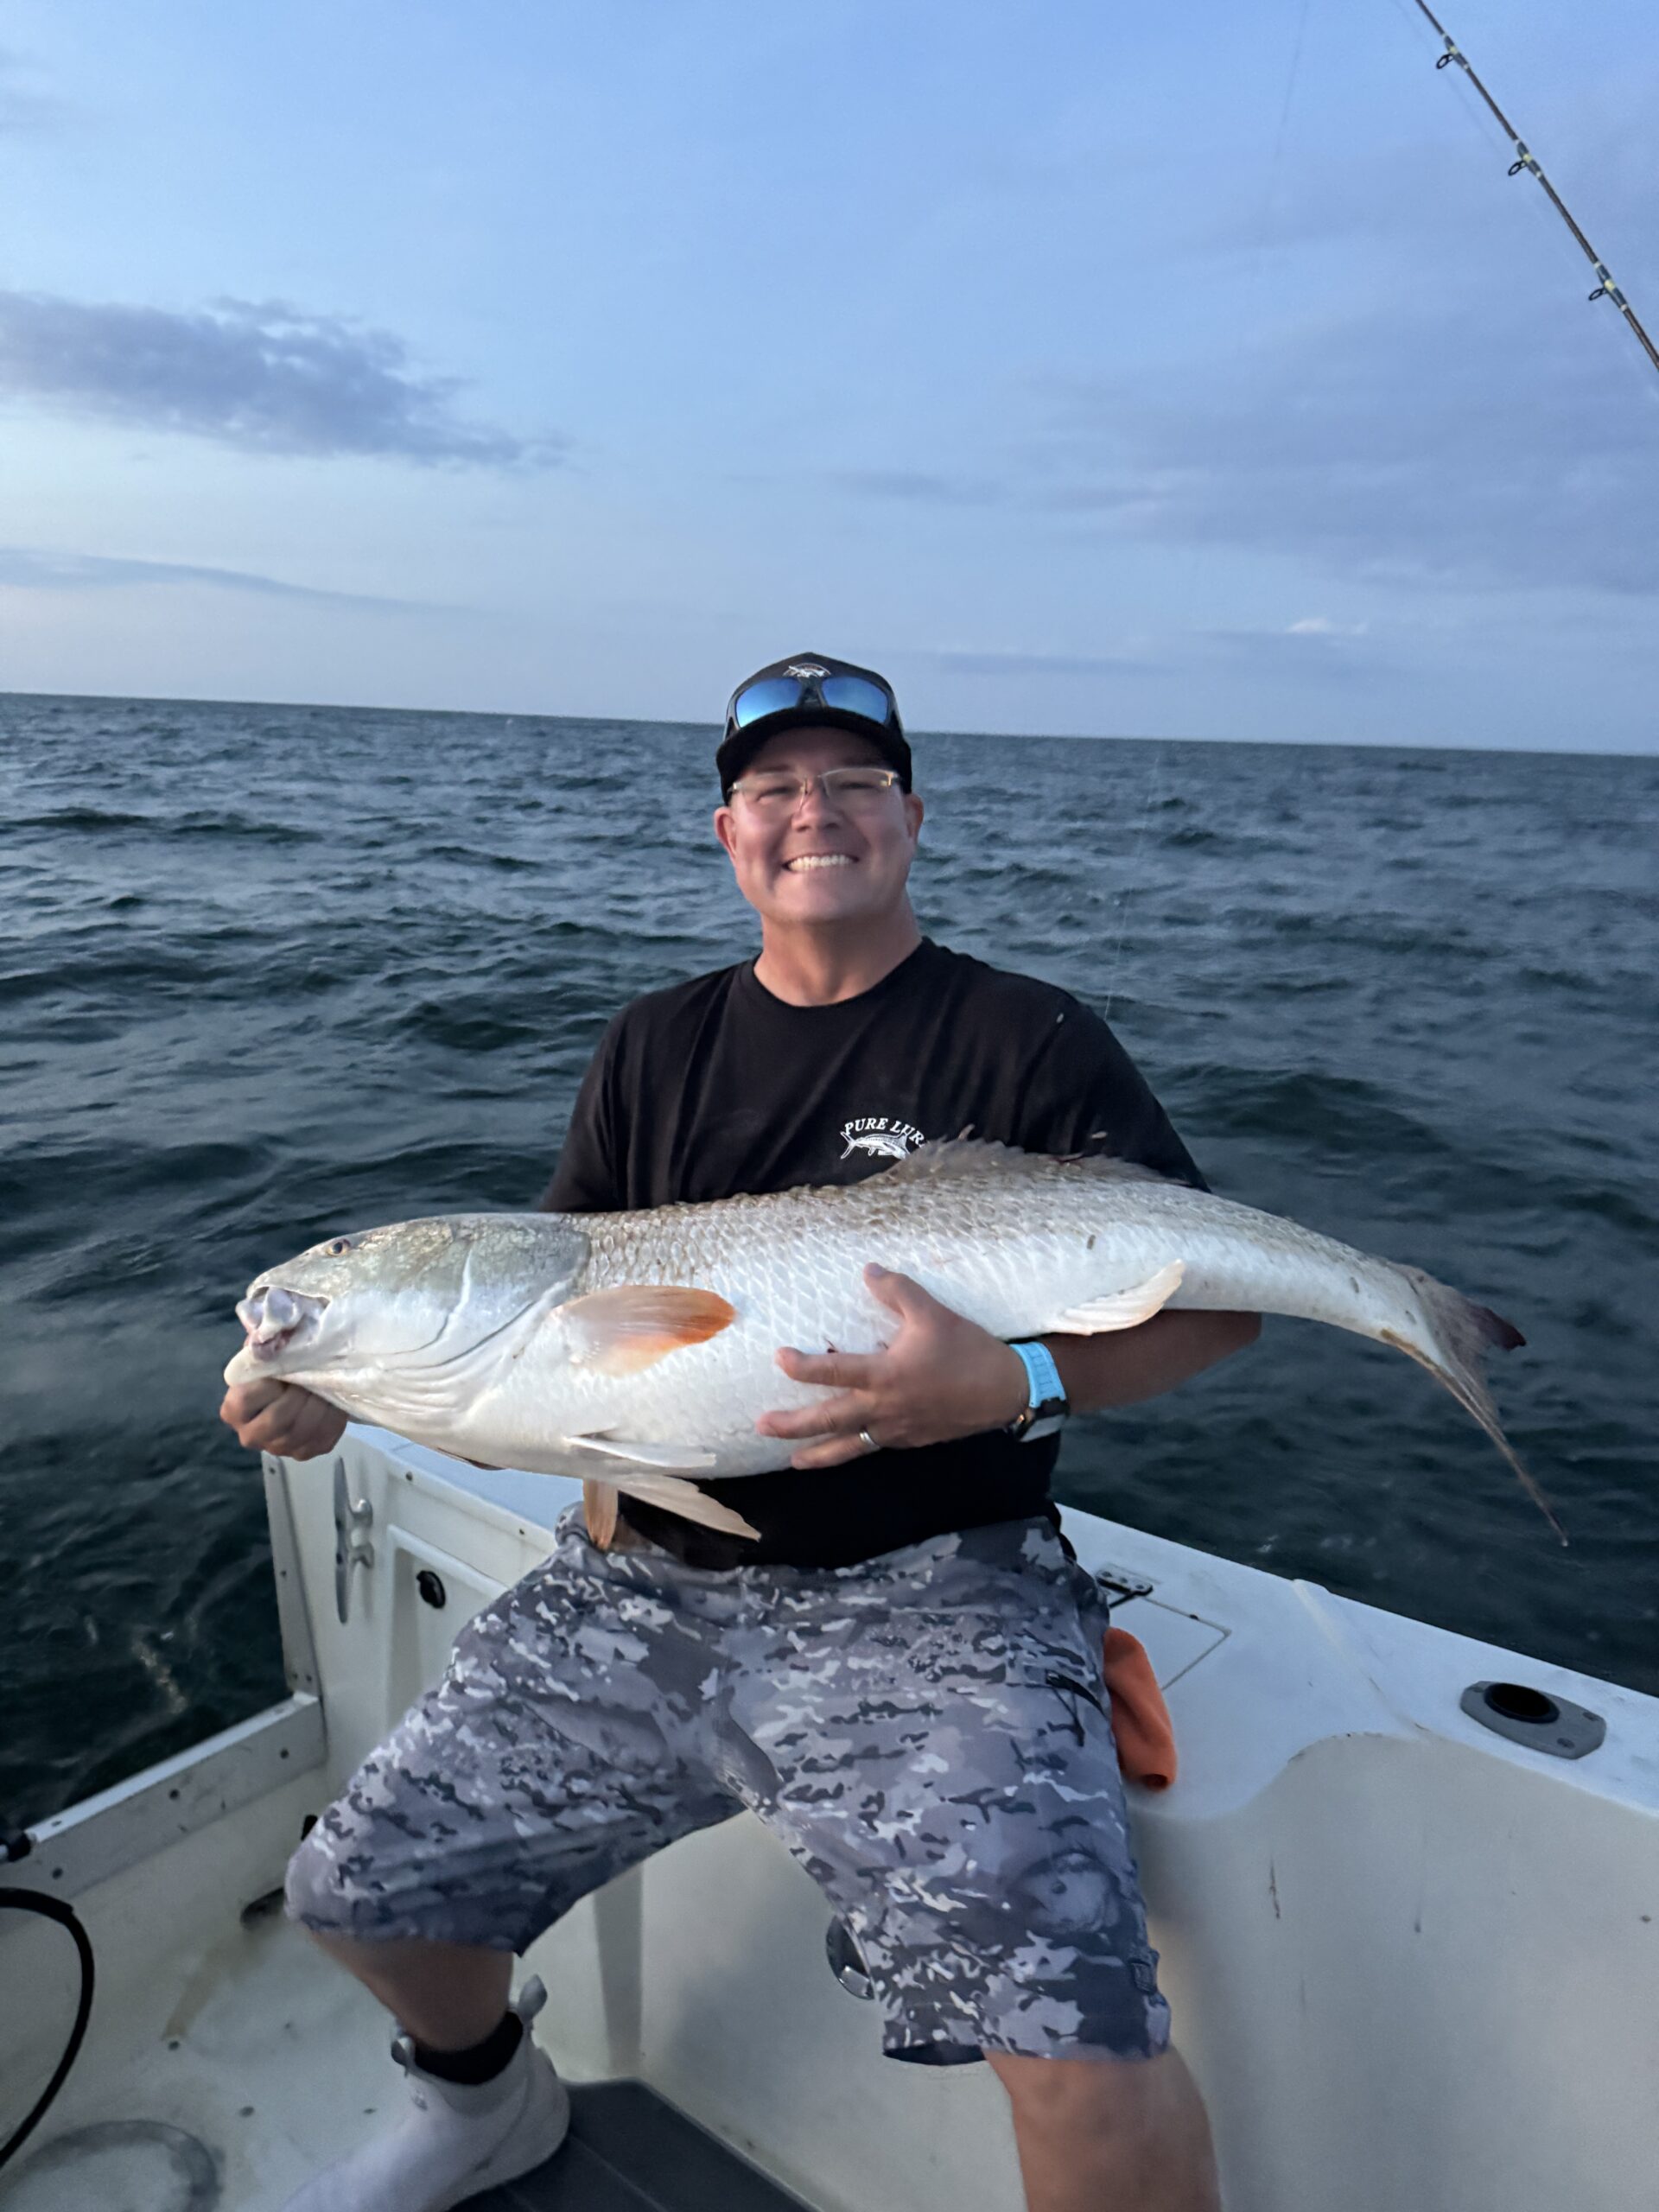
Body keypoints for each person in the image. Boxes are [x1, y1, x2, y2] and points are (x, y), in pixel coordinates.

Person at [222, 653, 1257, 2212]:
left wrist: (1015, 1388)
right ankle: (484, 2106)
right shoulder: (654, 1045)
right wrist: (347, 1393)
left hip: (943, 1588)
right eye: (774, 788)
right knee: (355, 1891)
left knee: (1084, 2063)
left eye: (852, 783)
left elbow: (1217, 1303)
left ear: (911, 816)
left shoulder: (1030, 1038)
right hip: (641, 1579)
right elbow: (559, 1345)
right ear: (728, 831)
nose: (812, 814)